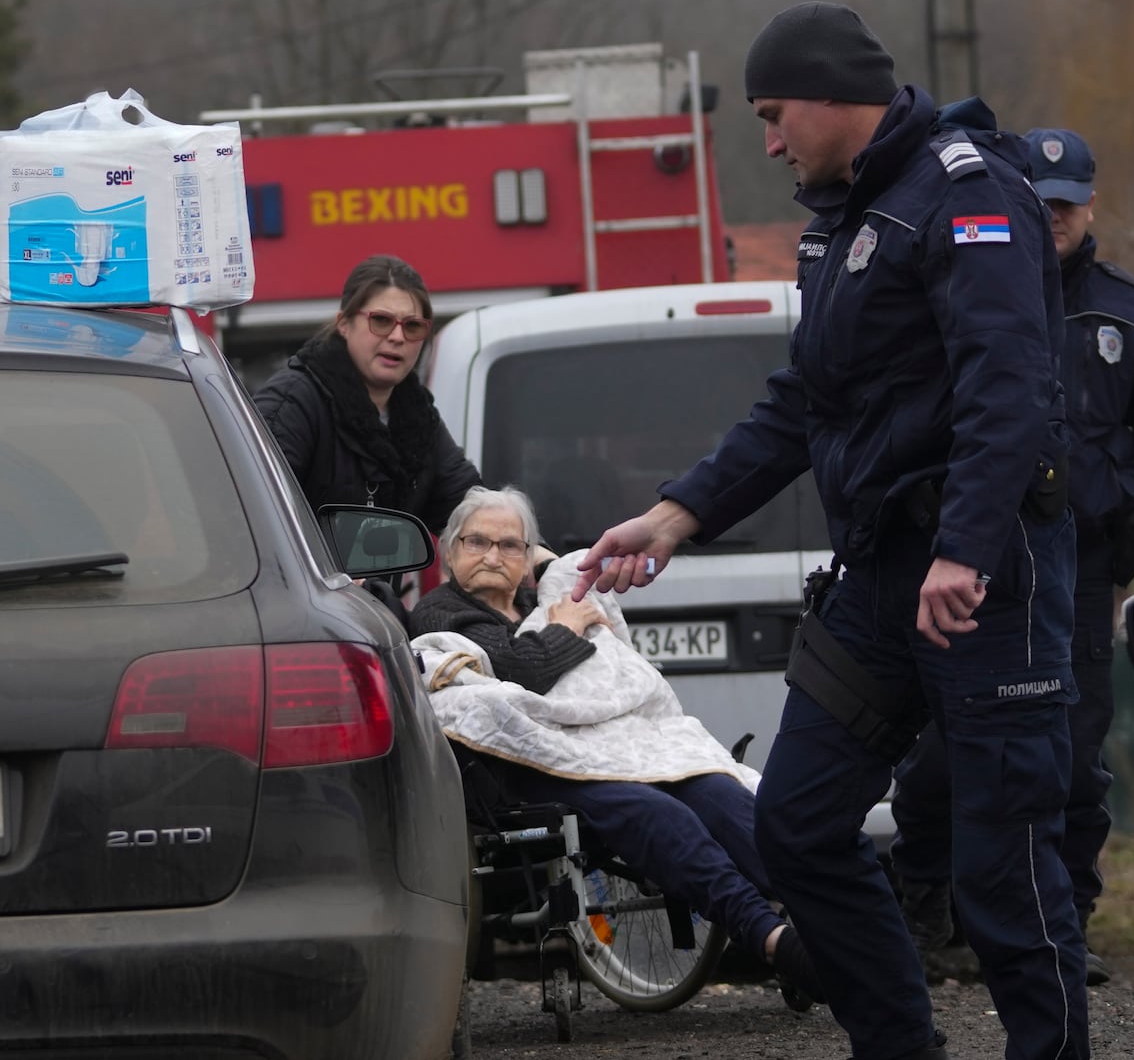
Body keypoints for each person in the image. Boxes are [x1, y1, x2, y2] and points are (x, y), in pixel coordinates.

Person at [571, 4, 1087, 1060]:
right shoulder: (843, 218)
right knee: (796, 826)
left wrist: (968, 545)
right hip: (878, 580)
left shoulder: (967, 189)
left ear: (829, 93)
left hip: (983, 576)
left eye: (772, 115)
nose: (767, 141)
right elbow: (806, 400)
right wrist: (677, 514)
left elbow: (1010, 386)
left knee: (1003, 871)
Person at [890, 127, 1134, 987]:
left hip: (1080, 567)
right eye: (1042, 201)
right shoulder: (969, 285)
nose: (1055, 217)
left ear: (1090, 204)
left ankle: (1066, 921)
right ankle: (930, 914)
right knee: (945, 750)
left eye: (1068, 203)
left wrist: (1098, 493)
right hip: (971, 558)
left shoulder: (1126, 309)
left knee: (1073, 750)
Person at [409, 485, 824, 1005]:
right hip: (533, 767)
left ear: (529, 561)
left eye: (510, 546)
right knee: (652, 810)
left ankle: (826, 922)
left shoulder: (544, 598)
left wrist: (555, 613)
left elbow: (592, 644)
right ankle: (772, 938)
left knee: (715, 791)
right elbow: (518, 672)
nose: (493, 556)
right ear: (451, 553)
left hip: (616, 745)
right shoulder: (439, 614)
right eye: (477, 542)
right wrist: (562, 631)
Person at [252, 254, 480, 534]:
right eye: (381, 320)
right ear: (344, 324)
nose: (397, 337)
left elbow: (473, 510)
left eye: (412, 326)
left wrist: (541, 559)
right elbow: (253, 519)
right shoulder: (292, 403)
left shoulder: (417, 416)